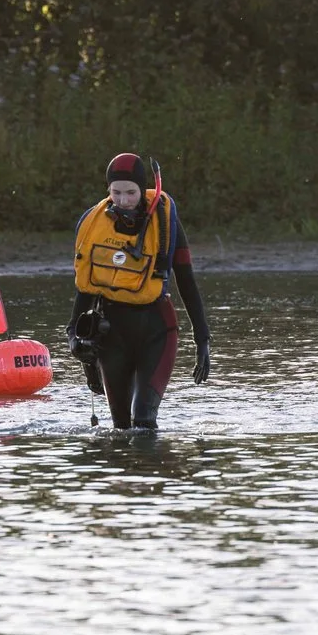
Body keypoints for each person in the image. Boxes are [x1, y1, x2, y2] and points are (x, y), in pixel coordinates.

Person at [67, 152, 210, 434]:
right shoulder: (94, 225)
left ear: (143, 190)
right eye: (116, 193)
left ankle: (150, 462)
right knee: (121, 429)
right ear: (108, 190)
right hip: (111, 336)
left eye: (130, 193)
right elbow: (85, 291)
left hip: (156, 331)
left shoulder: (166, 222)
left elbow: (187, 282)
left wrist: (202, 339)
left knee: (143, 422)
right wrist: (75, 339)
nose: (123, 200)